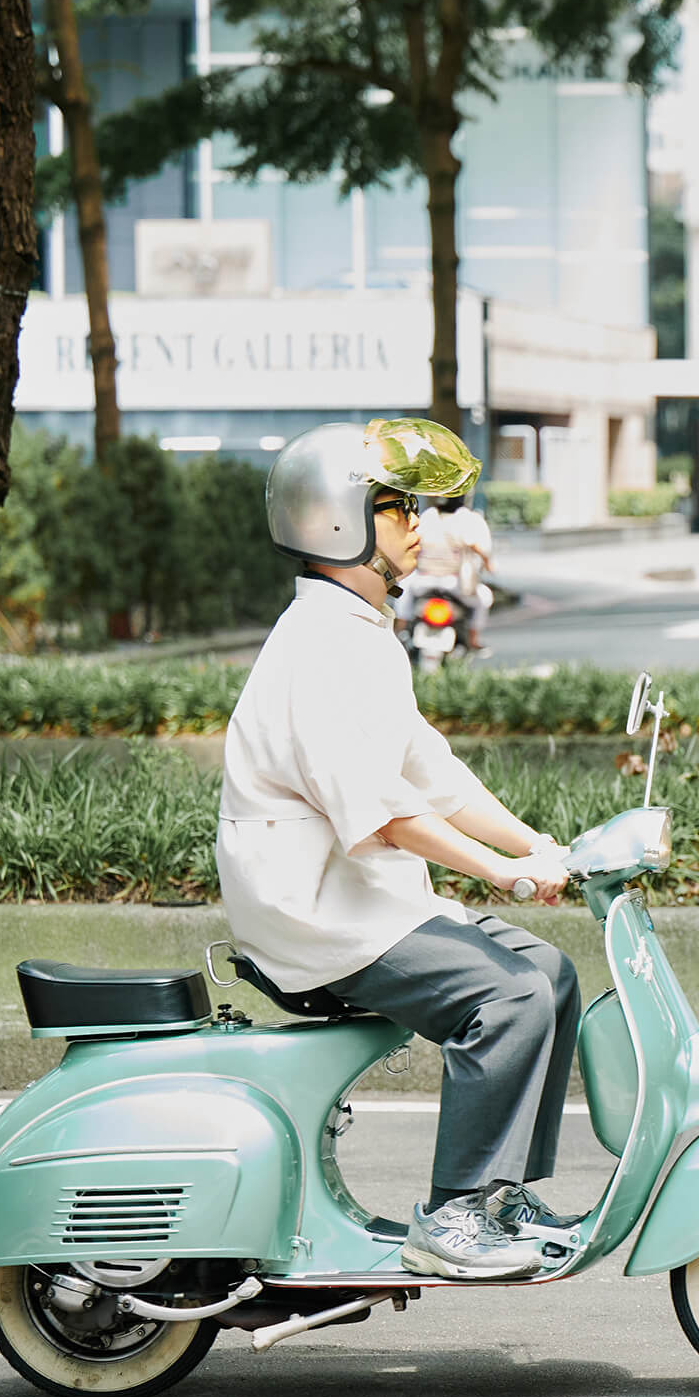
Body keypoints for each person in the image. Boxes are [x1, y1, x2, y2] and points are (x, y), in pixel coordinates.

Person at [216, 418, 580, 1283]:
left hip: (366, 898)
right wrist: (502, 872)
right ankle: (454, 1217)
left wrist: (537, 843)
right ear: (337, 520)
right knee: (515, 996)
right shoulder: (323, 645)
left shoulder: (360, 631)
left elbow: (434, 774)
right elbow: (381, 814)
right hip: (318, 914)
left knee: (553, 976)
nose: (420, 525)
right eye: (396, 507)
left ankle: (500, 1198)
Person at [396, 495, 495, 653]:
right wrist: (489, 565)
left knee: (403, 591)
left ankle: (398, 632)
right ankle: (473, 639)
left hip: (422, 581)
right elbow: (477, 546)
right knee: (484, 598)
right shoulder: (468, 519)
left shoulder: (427, 516)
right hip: (455, 583)